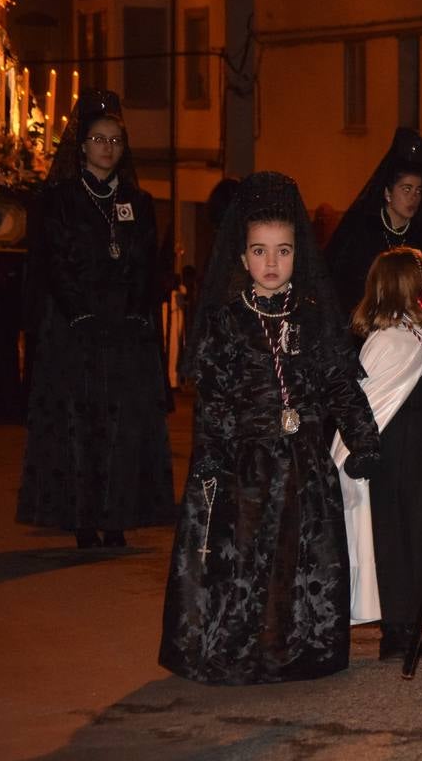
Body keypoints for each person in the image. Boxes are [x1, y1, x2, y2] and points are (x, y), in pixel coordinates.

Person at [158, 172, 381, 685]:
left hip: (303, 463)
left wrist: (362, 437)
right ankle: (244, 647)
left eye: (283, 251)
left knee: (296, 558)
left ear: (297, 255)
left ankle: (294, 647)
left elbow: (339, 384)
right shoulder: (228, 322)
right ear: (242, 258)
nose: (272, 263)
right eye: (260, 252)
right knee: (248, 559)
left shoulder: (313, 318)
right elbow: (215, 397)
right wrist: (212, 458)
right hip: (247, 464)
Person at [16, 90, 174, 550]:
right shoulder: (59, 200)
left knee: (123, 427)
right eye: (98, 139)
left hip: (125, 332)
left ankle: (119, 517)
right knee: (80, 428)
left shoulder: (137, 202)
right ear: (81, 145)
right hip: (76, 331)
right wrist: (79, 312)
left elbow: (147, 263)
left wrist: (135, 312)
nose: (107, 147)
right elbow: (53, 263)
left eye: (116, 140)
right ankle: (84, 520)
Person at [332, 247, 422, 660]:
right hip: (396, 456)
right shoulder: (388, 342)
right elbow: (370, 404)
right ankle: (397, 630)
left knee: (421, 536)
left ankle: (415, 623)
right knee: (397, 538)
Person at [324, 128, 422, 318]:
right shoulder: (360, 231)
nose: (413, 198)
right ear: (387, 193)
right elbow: (336, 285)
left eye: (418, 191)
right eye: (406, 189)